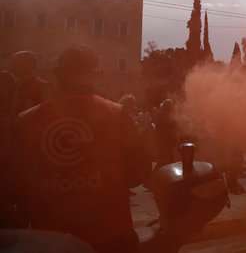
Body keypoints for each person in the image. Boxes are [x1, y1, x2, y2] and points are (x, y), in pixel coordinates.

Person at [11, 44, 151, 252]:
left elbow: (15, 184)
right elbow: (138, 173)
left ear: (59, 72)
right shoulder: (116, 114)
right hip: (111, 237)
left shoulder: (25, 120)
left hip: (48, 240)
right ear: (94, 72)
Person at [7, 50, 52, 117]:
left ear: (28, 65)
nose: (12, 66)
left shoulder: (43, 87)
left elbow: (47, 113)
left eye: (16, 63)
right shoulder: (14, 86)